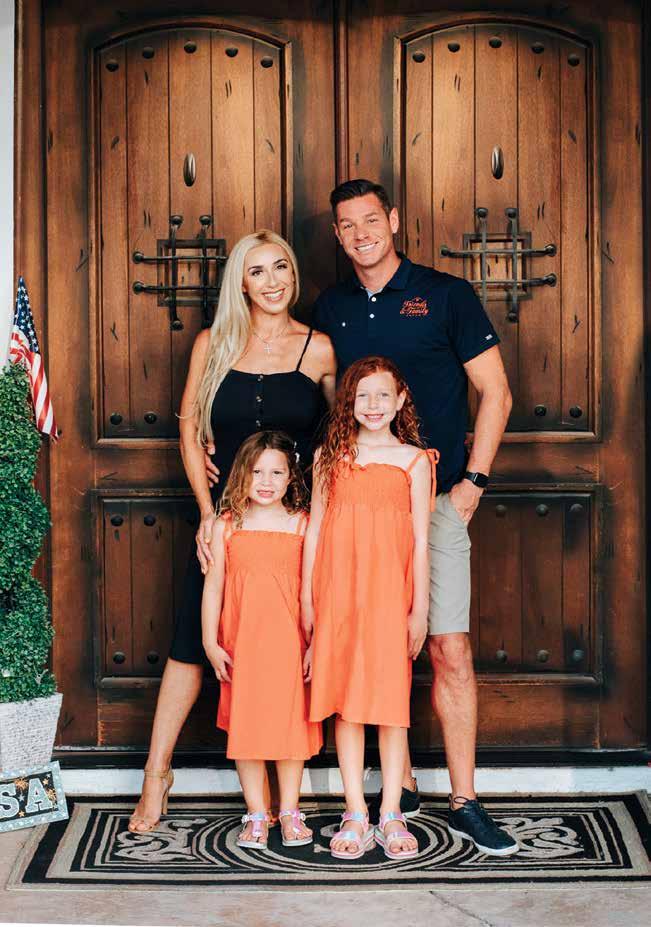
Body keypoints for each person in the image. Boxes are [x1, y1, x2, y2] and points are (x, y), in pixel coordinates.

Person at [311, 179, 518, 857]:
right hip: (357, 509)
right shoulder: (331, 305)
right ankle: (384, 795)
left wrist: (472, 484)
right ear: (336, 234)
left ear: (394, 220)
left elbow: (495, 392)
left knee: (446, 646)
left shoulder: (445, 294)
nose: (361, 234)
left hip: (434, 501)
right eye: (347, 225)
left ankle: (465, 800)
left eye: (371, 220)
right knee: (362, 647)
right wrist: (207, 432)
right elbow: (306, 386)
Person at [128, 230, 336, 834]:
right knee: (191, 642)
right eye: (257, 271)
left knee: (292, 645)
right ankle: (156, 775)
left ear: (293, 275)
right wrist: (205, 511)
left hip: (293, 524)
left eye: (281, 268)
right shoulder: (213, 342)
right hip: (227, 521)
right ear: (240, 284)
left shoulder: (319, 348)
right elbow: (189, 425)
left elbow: (336, 435)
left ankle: (298, 795)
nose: (272, 282)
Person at [302, 357, 436, 860]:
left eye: (383, 395)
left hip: (389, 597)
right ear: (348, 403)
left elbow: (420, 541)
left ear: (401, 401)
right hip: (338, 595)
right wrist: (307, 599)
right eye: (362, 396)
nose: (373, 405)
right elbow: (315, 531)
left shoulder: (415, 462)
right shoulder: (329, 458)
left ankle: (391, 811)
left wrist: (419, 609)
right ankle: (356, 810)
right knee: (348, 703)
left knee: (391, 704)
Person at [202, 431, 322, 849]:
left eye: (276, 473)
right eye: (257, 472)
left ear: (291, 477)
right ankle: (256, 812)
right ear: (241, 474)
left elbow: (314, 590)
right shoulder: (226, 525)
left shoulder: (302, 524)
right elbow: (214, 587)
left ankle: (289, 810)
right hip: (242, 646)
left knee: (291, 730)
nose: (266, 482)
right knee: (247, 729)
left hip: (289, 644)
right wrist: (210, 643)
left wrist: (315, 644)